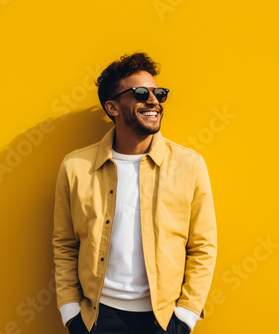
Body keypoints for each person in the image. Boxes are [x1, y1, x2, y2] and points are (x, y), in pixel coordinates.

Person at [52, 52, 217, 334]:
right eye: (141, 93)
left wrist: (185, 317)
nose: (153, 101)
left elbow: (203, 247)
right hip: (97, 319)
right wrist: (70, 312)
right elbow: (65, 244)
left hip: (163, 321)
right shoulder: (75, 167)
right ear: (113, 107)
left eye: (159, 93)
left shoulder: (189, 165)